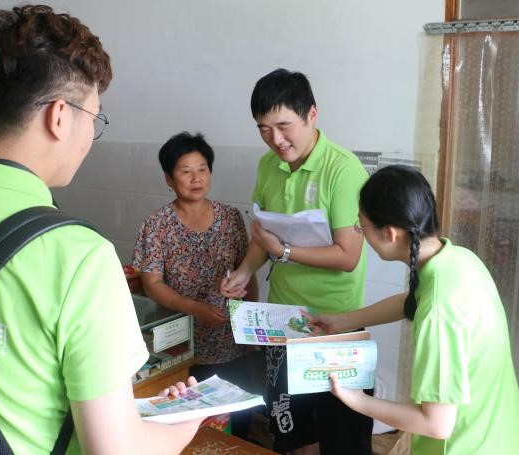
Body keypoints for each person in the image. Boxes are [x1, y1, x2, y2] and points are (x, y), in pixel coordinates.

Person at [0, 5, 201, 454]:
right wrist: (186, 422)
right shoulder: (79, 254)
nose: (89, 137)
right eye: (94, 118)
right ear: (60, 116)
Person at [307, 165, 519, 455]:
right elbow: (412, 299)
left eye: (361, 226)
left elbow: (437, 425)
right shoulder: (458, 259)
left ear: (390, 233)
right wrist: (344, 320)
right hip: (500, 432)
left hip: (465, 446)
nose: (361, 234)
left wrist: (357, 400)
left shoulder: (439, 310)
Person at [221, 68, 373, 454]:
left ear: (311, 115)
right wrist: (244, 272)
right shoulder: (267, 166)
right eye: (263, 129)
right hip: (283, 324)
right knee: (292, 434)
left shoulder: (343, 169)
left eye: (284, 126)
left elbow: (348, 255)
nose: (275, 139)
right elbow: (264, 236)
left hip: (335, 327)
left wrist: (283, 252)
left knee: (344, 437)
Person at [133, 131, 263, 439]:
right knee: (191, 423)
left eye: (202, 169)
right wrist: (195, 308)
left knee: (236, 422)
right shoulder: (157, 224)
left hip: (230, 340)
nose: (196, 178)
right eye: (186, 171)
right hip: (180, 344)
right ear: (169, 179)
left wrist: (249, 323)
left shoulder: (230, 218)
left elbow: (247, 272)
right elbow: (152, 283)